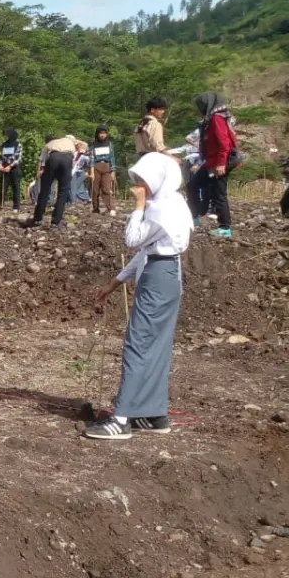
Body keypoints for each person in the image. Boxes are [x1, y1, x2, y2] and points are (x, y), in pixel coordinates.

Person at [85, 153, 192, 440]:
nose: (139, 186)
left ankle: (121, 419)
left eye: (143, 181)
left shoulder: (162, 209)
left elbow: (132, 240)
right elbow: (146, 251)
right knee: (156, 345)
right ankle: (154, 414)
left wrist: (139, 206)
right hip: (166, 273)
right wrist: (114, 283)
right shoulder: (173, 203)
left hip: (158, 277)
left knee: (138, 344)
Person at [188, 91, 238, 239]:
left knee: (219, 194)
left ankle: (225, 228)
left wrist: (221, 164)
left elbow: (224, 143)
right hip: (211, 162)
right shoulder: (211, 119)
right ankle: (195, 216)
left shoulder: (217, 119)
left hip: (219, 162)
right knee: (193, 185)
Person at [27, 135, 83, 230]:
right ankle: (55, 223)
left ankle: (38, 219)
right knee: (62, 192)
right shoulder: (73, 144)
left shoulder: (53, 142)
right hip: (67, 159)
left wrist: (42, 169)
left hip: (53, 158)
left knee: (44, 189)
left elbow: (43, 158)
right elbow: (76, 157)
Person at [89, 125, 117, 215]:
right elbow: (92, 158)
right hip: (96, 167)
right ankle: (95, 208)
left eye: (104, 133)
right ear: (97, 134)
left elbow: (112, 157)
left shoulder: (110, 144)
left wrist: (113, 171)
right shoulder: (93, 145)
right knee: (95, 189)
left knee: (107, 188)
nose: (102, 135)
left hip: (107, 167)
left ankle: (110, 208)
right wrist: (92, 172)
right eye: (100, 133)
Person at [0, 130, 23, 212]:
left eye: (6, 135)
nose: (5, 137)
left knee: (15, 187)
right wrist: (0, 164)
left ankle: (16, 207)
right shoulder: (3, 145)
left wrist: (10, 166)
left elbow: (18, 158)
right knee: (3, 187)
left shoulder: (18, 145)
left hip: (14, 168)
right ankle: (0, 205)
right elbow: (0, 156)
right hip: (4, 167)